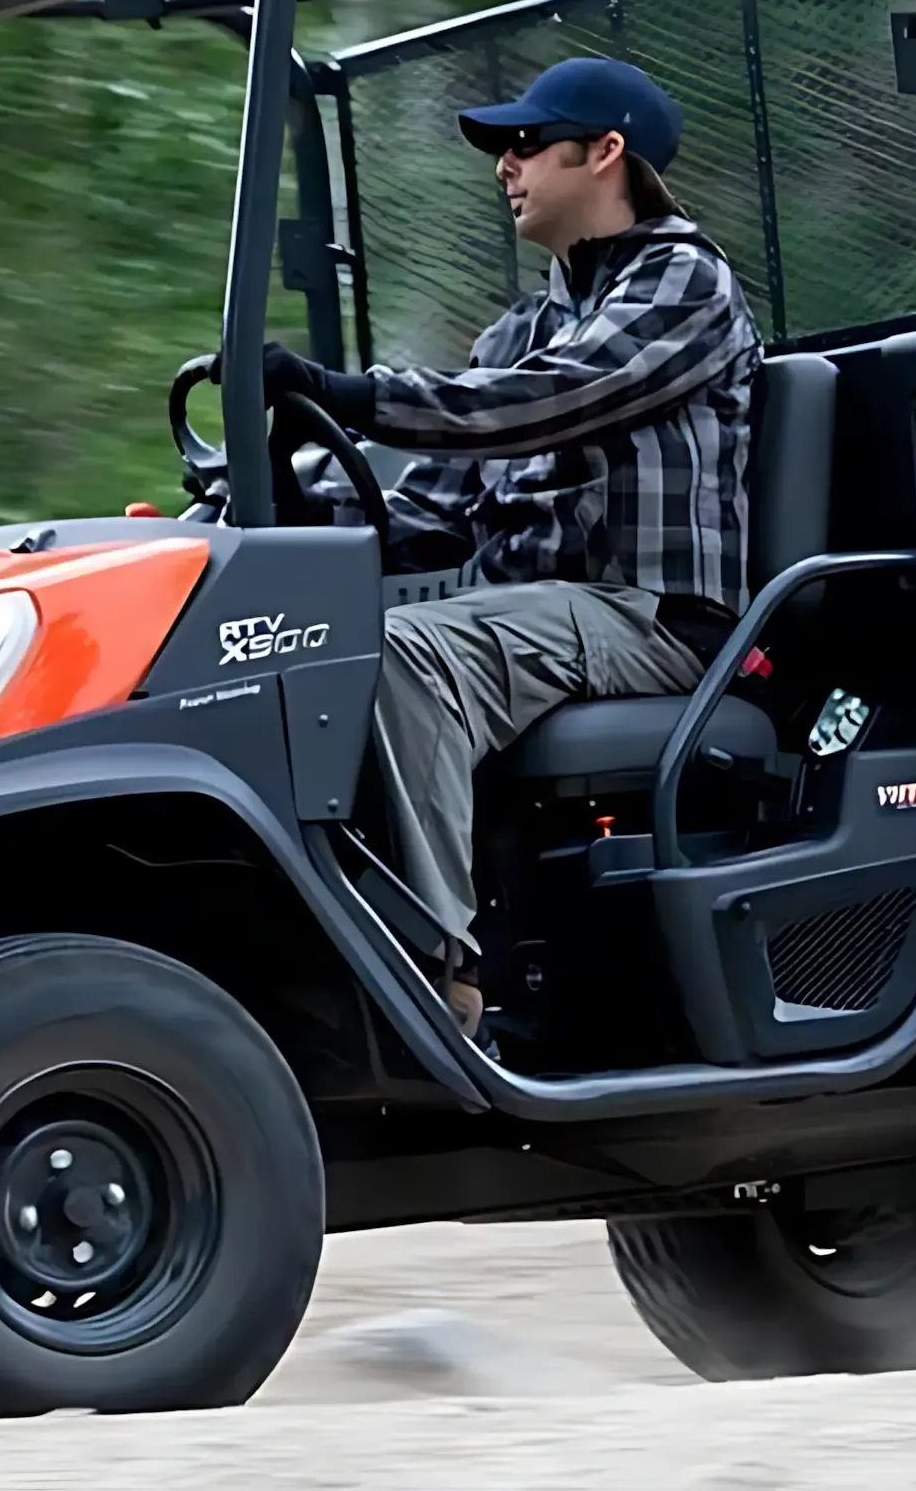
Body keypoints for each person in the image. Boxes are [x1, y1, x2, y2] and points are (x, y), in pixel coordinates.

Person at [262, 56, 762, 1046]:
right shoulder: (526, 325)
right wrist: (283, 504)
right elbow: (426, 518)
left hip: (649, 618)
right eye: (504, 148)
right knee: (298, 646)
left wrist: (349, 396)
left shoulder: (683, 281)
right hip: (536, 619)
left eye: (527, 143)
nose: (505, 164)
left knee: (410, 651)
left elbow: (541, 403)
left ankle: (431, 977)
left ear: (606, 152)